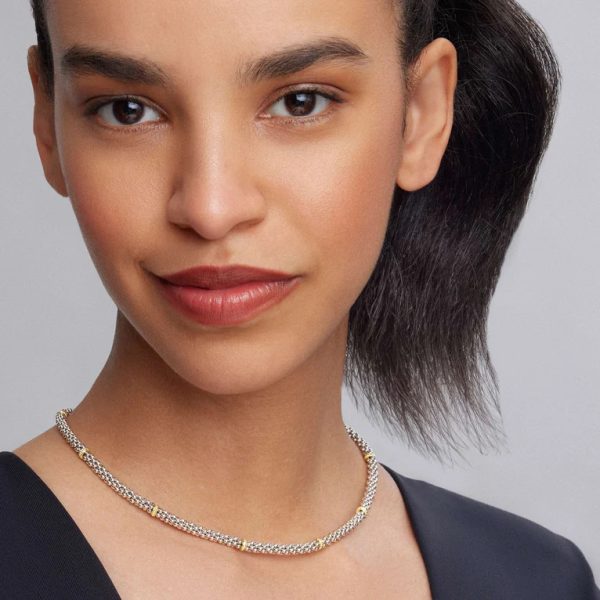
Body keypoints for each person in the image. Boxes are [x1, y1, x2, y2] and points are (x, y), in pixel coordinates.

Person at [0, 0, 598, 598]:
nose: (211, 209)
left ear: (421, 115)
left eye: (300, 102)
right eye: (127, 110)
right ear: (48, 122)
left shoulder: (538, 580)